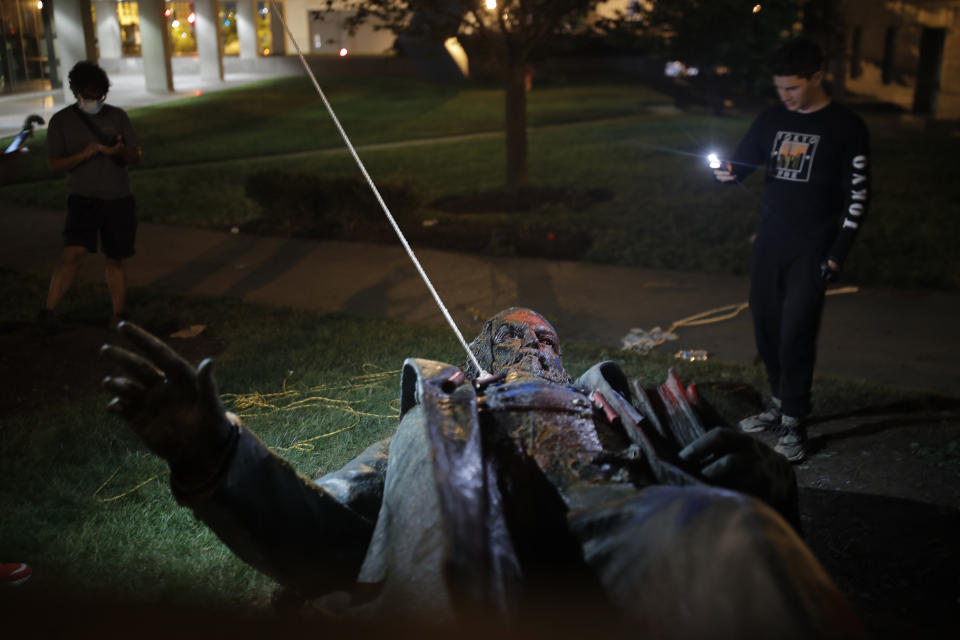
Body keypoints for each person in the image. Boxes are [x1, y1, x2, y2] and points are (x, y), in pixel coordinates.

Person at [101, 309, 864, 638]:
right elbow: (323, 530)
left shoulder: (610, 405)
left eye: (536, 343)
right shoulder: (433, 422)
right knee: (460, 594)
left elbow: (737, 479)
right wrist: (212, 454)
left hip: (617, 521)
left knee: (732, 535)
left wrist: (767, 481)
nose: (522, 350)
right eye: (505, 343)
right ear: (477, 364)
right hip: (469, 536)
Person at [713, 39, 870, 463]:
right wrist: (728, 173)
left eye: (793, 88)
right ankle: (779, 404)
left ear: (817, 77)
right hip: (769, 244)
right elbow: (744, 163)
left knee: (795, 332)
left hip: (813, 249)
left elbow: (858, 196)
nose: (785, 97)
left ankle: (796, 423)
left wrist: (838, 251)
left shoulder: (846, 126)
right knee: (765, 327)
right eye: (780, 88)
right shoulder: (771, 119)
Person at [41, 60, 142, 329]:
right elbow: (54, 164)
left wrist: (119, 151)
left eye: (100, 96)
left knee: (115, 257)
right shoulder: (61, 121)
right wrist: (83, 155)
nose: (95, 101)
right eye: (89, 96)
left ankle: (118, 315)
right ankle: (49, 312)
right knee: (73, 253)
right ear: (76, 92)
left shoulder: (117, 116)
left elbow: (136, 155)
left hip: (118, 197)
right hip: (83, 199)